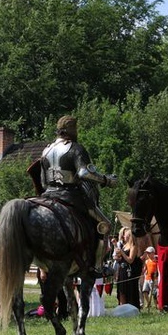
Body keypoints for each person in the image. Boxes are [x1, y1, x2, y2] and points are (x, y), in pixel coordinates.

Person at [37, 115, 118, 277]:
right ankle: (97, 267)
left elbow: (43, 181)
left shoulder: (46, 150)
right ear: (72, 129)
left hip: (47, 196)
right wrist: (106, 180)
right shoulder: (75, 148)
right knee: (105, 225)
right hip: (71, 196)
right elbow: (84, 172)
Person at [114, 227, 142, 309]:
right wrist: (117, 255)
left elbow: (130, 260)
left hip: (129, 271)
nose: (123, 237)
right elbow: (121, 258)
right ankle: (123, 308)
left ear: (129, 236)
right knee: (121, 290)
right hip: (122, 270)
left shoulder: (133, 246)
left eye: (125, 235)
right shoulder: (124, 245)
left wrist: (122, 252)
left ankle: (131, 308)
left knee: (129, 290)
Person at [141, 246, 158, 311]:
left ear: (153, 253)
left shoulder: (156, 261)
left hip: (154, 279)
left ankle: (156, 305)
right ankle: (148, 303)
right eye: (147, 253)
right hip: (147, 278)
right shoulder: (147, 261)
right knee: (144, 291)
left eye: (149, 253)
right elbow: (145, 269)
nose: (147, 254)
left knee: (154, 293)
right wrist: (143, 272)